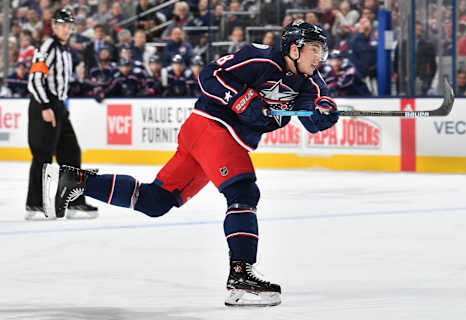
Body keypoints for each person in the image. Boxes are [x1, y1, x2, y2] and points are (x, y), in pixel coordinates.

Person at [43, 21, 339, 306]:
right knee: (243, 194)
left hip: (218, 139)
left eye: (321, 50)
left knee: (156, 201)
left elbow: (312, 118)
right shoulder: (261, 58)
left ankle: (74, 181)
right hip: (211, 126)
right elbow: (209, 75)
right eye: (314, 48)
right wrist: (242, 100)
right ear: (294, 49)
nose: (319, 56)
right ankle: (240, 278)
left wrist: (323, 114)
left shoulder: (312, 83)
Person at [25, 9, 98, 220]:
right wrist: (46, 106)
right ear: (54, 27)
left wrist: (61, 107)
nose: (66, 29)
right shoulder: (48, 47)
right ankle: (34, 205)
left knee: (72, 153)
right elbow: (35, 79)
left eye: (68, 26)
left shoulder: (66, 50)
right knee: (43, 156)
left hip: (58, 108)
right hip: (43, 106)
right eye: (62, 25)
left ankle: (75, 202)